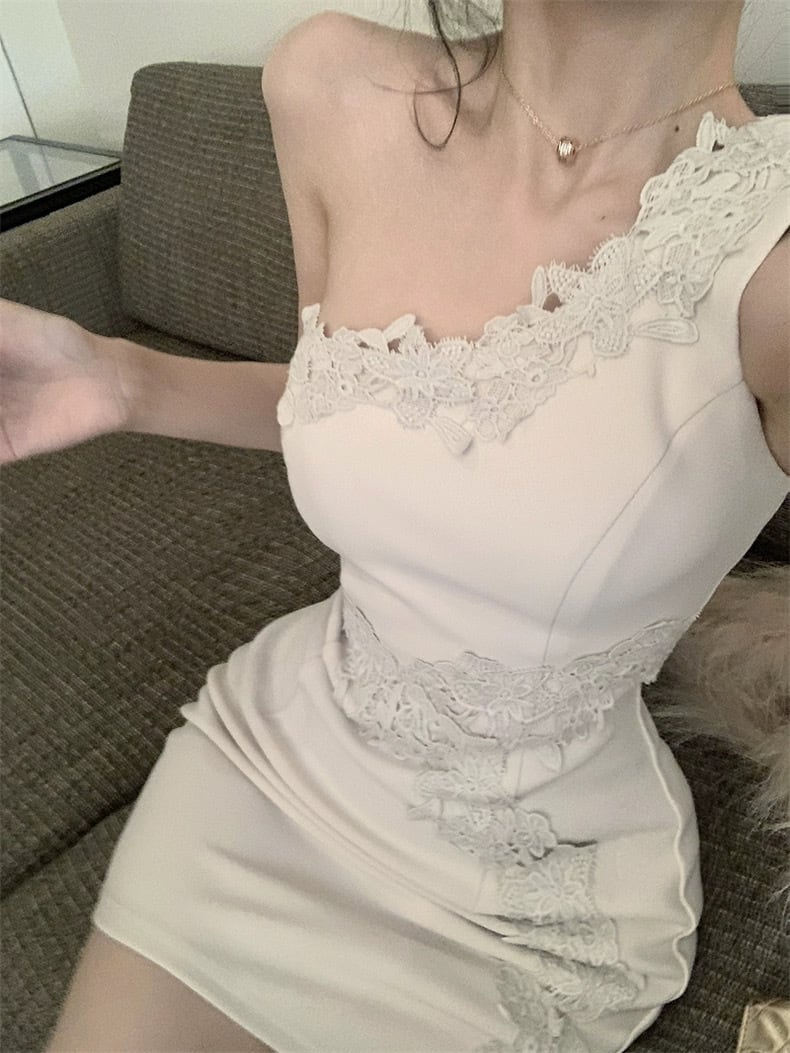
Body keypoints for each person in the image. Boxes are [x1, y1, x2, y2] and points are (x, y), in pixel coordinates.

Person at [1, 2, 788, 1051]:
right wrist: (120, 379)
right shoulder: (331, 87)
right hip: (274, 755)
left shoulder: (774, 260)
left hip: (517, 886)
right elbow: (354, 413)